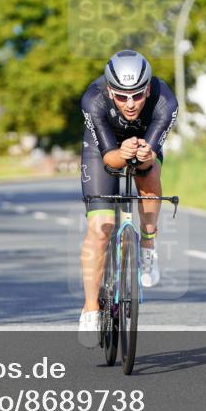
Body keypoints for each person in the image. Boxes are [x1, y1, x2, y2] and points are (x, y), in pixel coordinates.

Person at [77, 50, 178, 347]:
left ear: (148, 88)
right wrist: (123, 153)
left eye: (137, 94)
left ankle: (147, 244)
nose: (130, 104)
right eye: (121, 96)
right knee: (100, 228)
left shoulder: (165, 101)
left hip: (146, 140)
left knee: (150, 173)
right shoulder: (93, 100)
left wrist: (145, 155)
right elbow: (109, 156)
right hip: (103, 150)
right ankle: (91, 309)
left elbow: (151, 156)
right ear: (110, 90)